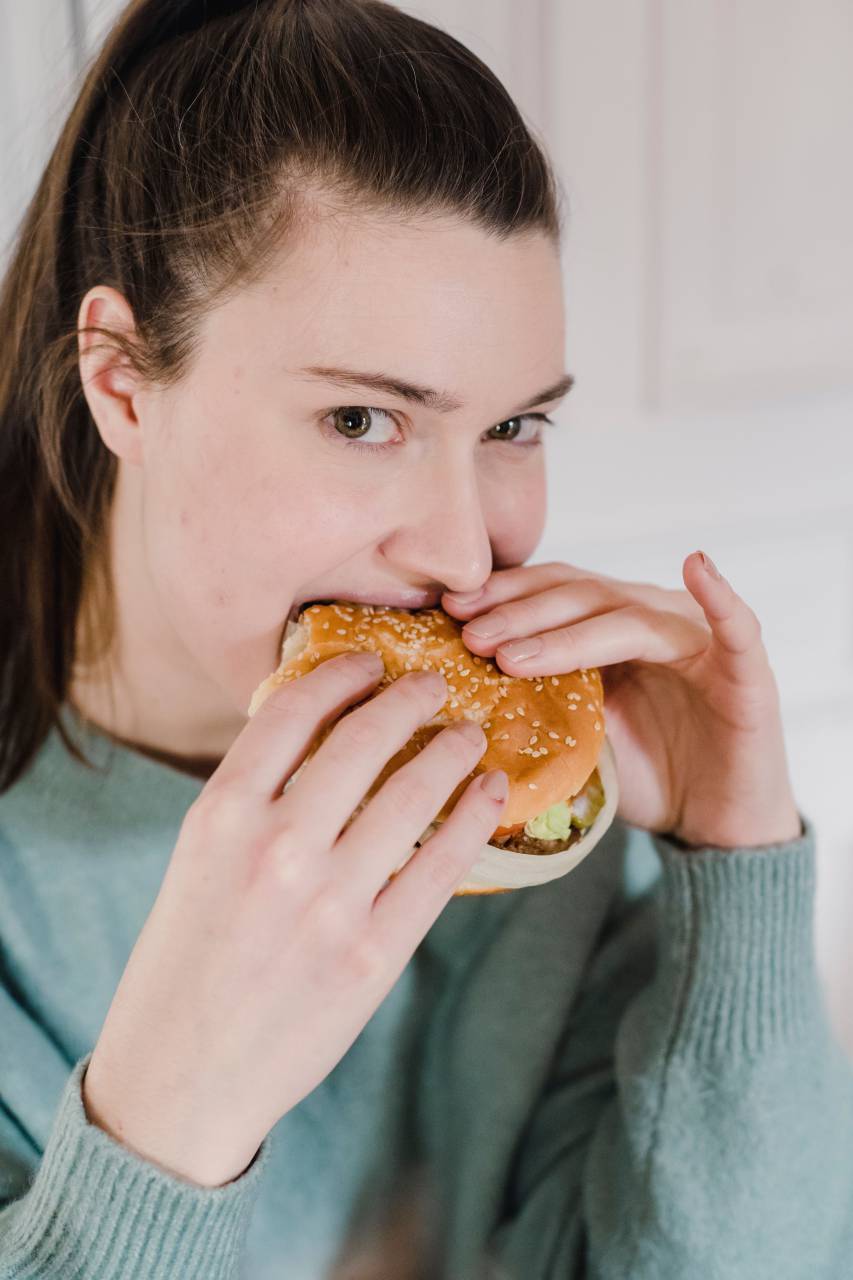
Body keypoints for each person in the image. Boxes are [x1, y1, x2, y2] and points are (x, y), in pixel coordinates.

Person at [0, 1, 850, 1277]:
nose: (465, 551)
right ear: (121, 379)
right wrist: (162, 1119)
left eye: (513, 428)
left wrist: (735, 871)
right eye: (362, 420)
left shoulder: (531, 818)